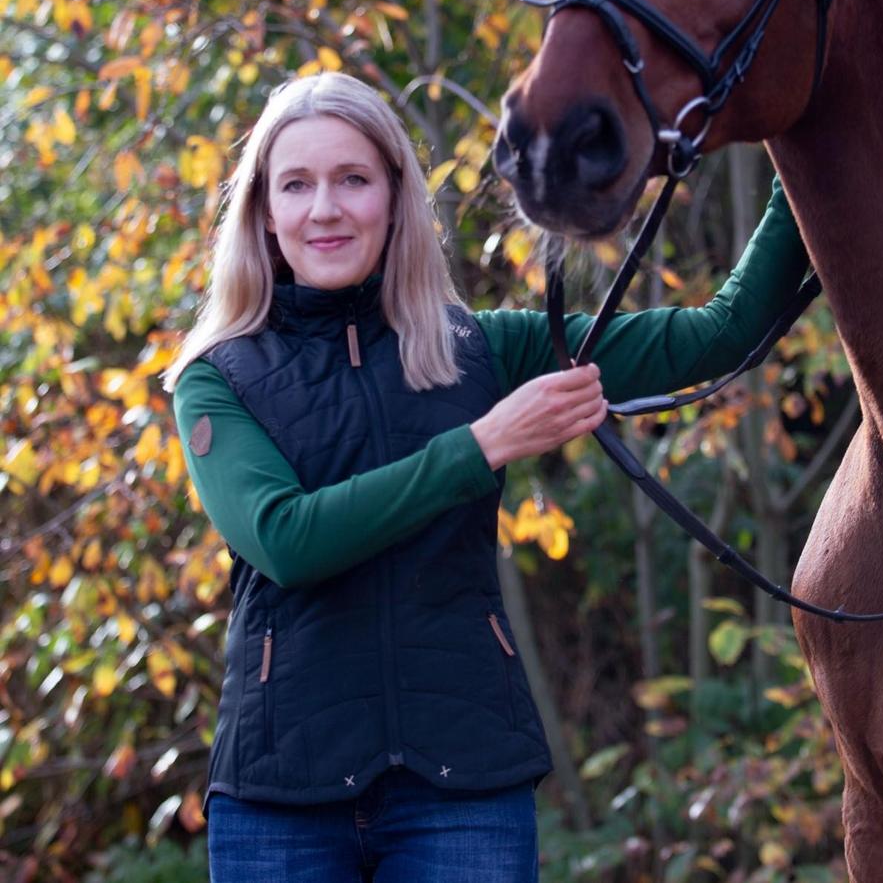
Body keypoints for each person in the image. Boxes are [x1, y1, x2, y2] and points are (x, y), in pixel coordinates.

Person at [167, 71, 810, 883]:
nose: (324, 208)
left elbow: (722, 334)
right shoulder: (215, 377)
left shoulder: (482, 349)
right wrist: (483, 445)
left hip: (463, 787)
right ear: (263, 210)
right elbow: (285, 541)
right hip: (280, 800)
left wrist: (804, 143)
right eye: (296, 184)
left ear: (395, 198)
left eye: (353, 179)